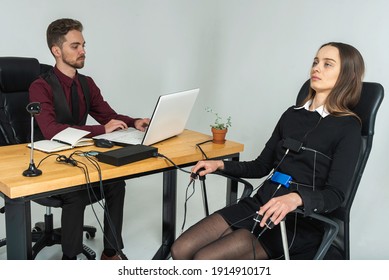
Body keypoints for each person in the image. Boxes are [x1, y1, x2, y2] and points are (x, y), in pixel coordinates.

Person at [171, 42, 364, 260]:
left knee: (204, 260)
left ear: (346, 75)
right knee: (181, 249)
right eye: (315, 61)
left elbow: (335, 195)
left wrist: (296, 198)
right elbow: (261, 165)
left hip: (297, 220)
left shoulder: (348, 127)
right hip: (260, 203)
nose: (316, 68)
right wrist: (220, 164)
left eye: (328, 64)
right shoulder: (291, 115)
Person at [29, 18, 150, 260]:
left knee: (116, 183)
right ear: (56, 50)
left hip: (76, 158)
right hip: (48, 164)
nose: (83, 51)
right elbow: (52, 130)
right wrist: (101, 130)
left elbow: (108, 115)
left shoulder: (86, 84)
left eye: (83, 45)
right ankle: (70, 258)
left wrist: (134, 121)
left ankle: (111, 251)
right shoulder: (40, 87)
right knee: (76, 194)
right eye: (75, 46)